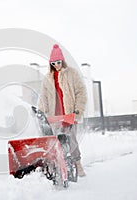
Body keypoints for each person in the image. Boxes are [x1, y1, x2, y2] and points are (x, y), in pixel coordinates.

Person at [38, 44, 87, 177]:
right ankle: (58, 167)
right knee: (56, 141)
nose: (56, 65)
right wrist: (41, 111)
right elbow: (43, 97)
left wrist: (78, 109)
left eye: (58, 62)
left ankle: (78, 165)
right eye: (53, 63)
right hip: (54, 116)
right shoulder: (48, 78)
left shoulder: (72, 73)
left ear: (62, 61)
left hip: (70, 114)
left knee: (71, 140)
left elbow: (81, 92)